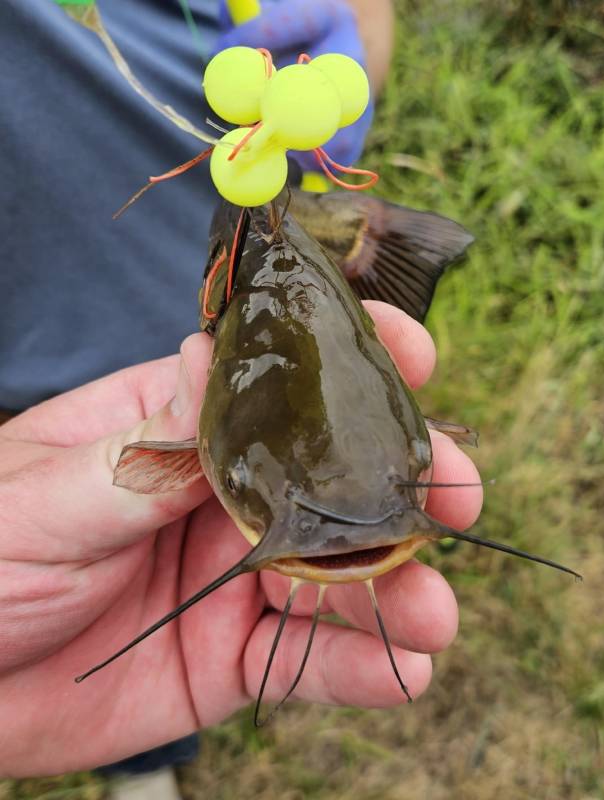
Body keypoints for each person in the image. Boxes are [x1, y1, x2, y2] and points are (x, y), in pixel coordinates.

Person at [0, 0, 482, 792]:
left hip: (196, 263)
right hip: (35, 330)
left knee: (147, 601)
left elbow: (363, 14)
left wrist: (347, 51)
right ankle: (129, 757)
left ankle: (143, 756)